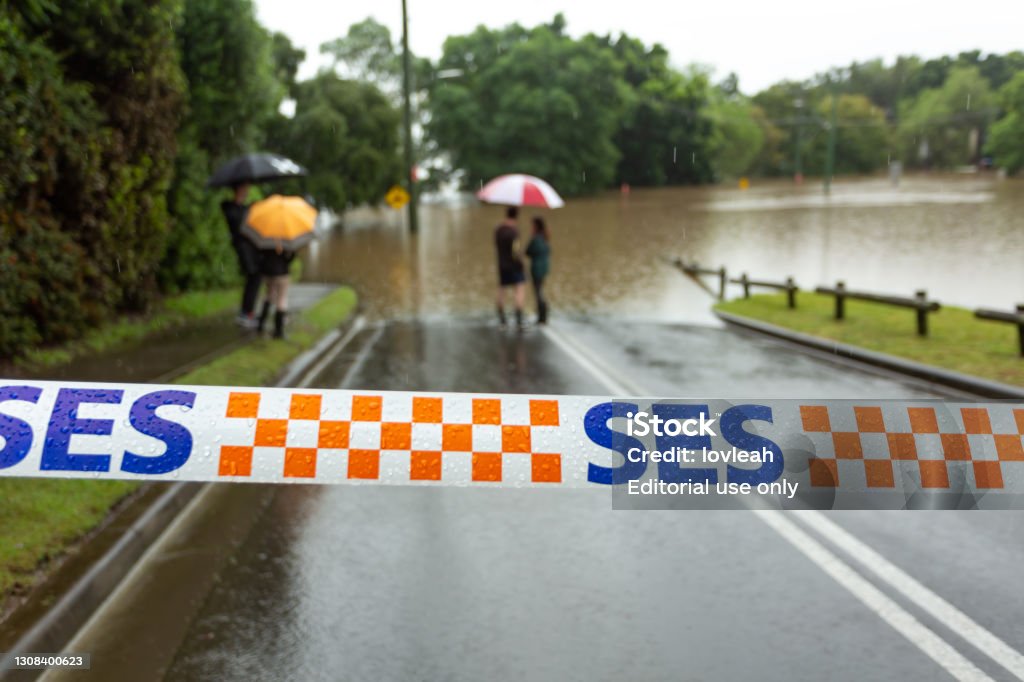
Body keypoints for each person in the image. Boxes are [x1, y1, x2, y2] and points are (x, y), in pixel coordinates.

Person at [221, 183, 262, 327]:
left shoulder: (245, 208)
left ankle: (248, 311)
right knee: (253, 275)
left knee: (255, 278)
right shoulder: (230, 209)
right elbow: (239, 226)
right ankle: (245, 313)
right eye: (244, 189)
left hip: (251, 248)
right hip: (243, 248)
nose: (247, 192)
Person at [494, 206, 526, 328]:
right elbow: (516, 251)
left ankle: (502, 319)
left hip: (502, 265)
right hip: (514, 266)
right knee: (519, 290)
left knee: (501, 290)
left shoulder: (498, 230)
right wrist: (521, 262)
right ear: (516, 216)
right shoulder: (514, 231)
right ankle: (519, 318)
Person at [256, 245, 296, 339]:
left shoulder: (267, 240)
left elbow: (260, 255)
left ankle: (261, 324)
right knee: (281, 299)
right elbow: (289, 259)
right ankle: (278, 331)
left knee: (269, 295)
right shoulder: (285, 241)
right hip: (282, 273)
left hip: (268, 273)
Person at [525, 216, 551, 324]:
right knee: (539, 290)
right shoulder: (545, 237)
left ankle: (542, 315)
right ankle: (542, 314)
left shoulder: (536, 239)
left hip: (537, 269)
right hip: (544, 268)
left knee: (538, 291)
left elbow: (528, 252)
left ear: (535, 226)